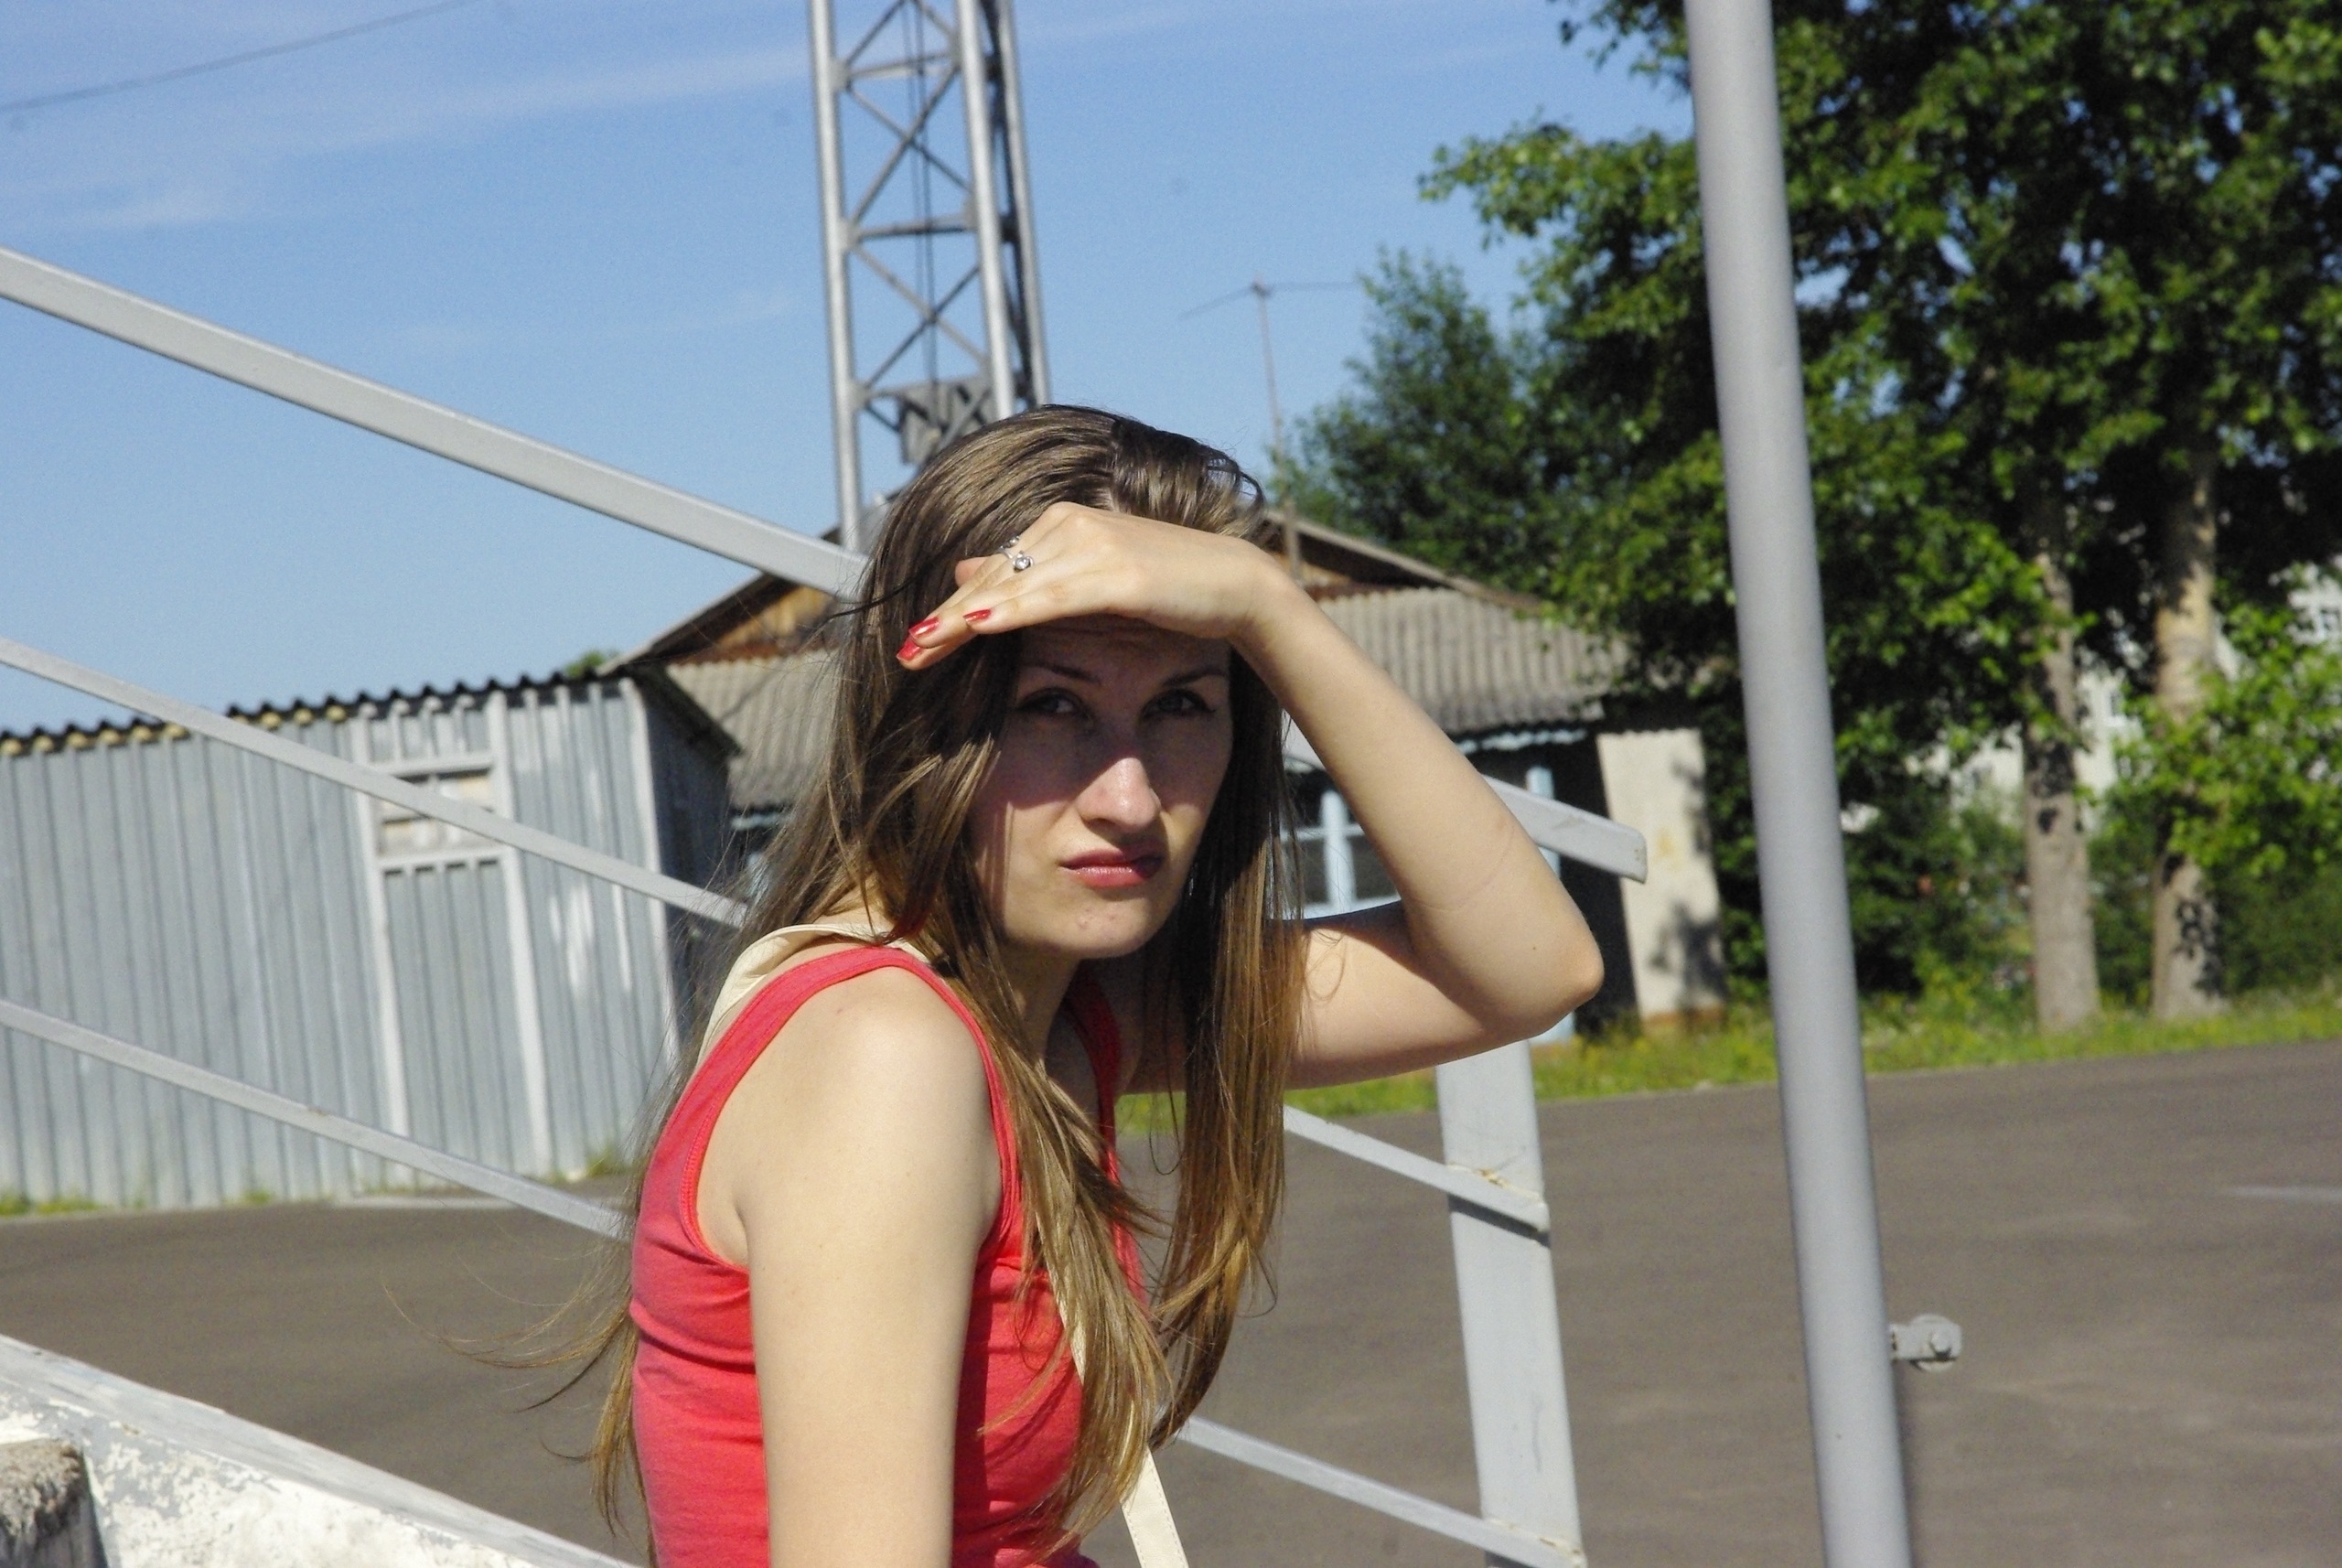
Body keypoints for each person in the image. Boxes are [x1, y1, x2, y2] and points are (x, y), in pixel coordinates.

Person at [590, 405, 1602, 1568]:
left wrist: (1267, 605)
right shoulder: (883, 1051)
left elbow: (1530, 971)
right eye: (1053, 706)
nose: (1128, 797)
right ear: (928, 722)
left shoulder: (1058, 1010)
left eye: (1181, 704)